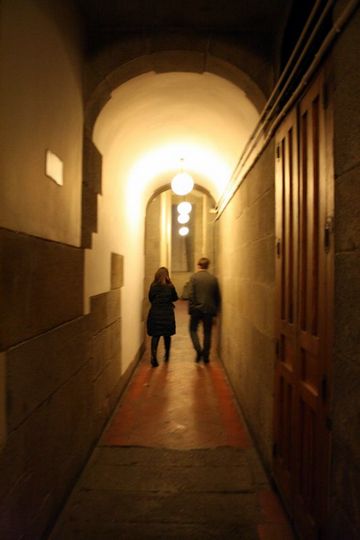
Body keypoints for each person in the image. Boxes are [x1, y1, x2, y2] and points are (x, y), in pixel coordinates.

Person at [188, 257, 221, 363]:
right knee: (207, 333)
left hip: (197, 310)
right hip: (209, 310)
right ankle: (206, 356)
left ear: (198, 265)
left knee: (193, 330)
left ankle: (198, 351)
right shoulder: (213, 279)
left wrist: (191, 309)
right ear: (208, 266)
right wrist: (216, 311)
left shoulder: (194, 277)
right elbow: (217, 296)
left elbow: (191, 295)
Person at [147, 267, 178, 367]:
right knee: (167, 334)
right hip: (167, 313)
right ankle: (167, 354)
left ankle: (153, 357)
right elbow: (175, 298)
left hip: (155, 312)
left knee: (155, 335)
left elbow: (150, 298)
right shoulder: (169, 286)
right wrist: (171, 284)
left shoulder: (153, 285)